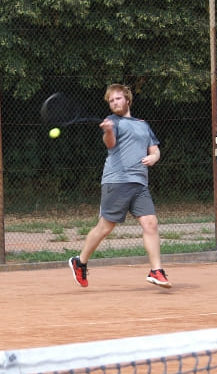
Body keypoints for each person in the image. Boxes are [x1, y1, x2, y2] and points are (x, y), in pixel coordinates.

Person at [69, 84, 171, 288]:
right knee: (105, 228)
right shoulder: (112, 122)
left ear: (127, 100)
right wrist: (107, 131)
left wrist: (154, 157)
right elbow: (110, 143)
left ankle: (156, 270)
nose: (115, 103)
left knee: (150, 223)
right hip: (117, 182)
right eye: (111, 101)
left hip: (140, 183)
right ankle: (80, 262)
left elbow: (155, 150)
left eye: (118, 99)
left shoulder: (143, 124)